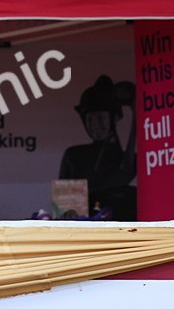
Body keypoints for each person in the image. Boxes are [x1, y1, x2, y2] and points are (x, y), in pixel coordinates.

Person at [58, 75, 137, 221]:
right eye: (90, 119)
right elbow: (66, 213)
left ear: (113, 118)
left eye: (100, 118)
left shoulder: (131, 162)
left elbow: (124, 176)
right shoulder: (74, 157)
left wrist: (136, 113)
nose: (95, 125)